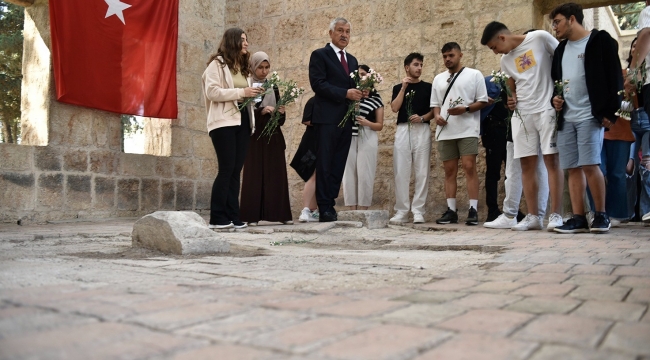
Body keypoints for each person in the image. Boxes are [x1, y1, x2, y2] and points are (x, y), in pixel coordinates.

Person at [481, 22, 564, 231]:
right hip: (522, 114)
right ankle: (533, 216)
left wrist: (560, 92)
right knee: (526, 164)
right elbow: (511, 84)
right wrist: (511, 98)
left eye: (493, 47)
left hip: (546, 108)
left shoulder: (540, 38)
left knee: (551, 161)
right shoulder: (506, 60)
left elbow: (562, 59)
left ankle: (556, 214)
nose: (495, 52)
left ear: (502, 38)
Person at [549, 3, 622, 233]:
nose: (554, 27)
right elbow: (556, 83)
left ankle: (601, 215)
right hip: (566, 118)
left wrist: (611, 112)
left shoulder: (600, 41)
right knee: (572, 168)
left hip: (591, 115)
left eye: (557, 21)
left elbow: (615, 79)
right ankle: (579, 218)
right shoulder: (560, 50)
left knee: (590, 164)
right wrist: (556, 99)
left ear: (572, 19)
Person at [202, 28, 264, 230]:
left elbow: (241, 94)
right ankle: (217, 217)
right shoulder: (217, 64)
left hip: (243, 121)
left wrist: (253, 95)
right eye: (243, 40)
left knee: (236, 171)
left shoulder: (242, 67)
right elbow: (212, 92)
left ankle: (233, 216)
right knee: (226, 169)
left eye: (247, 40)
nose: (246, 43)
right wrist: (242, 91)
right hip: (223, 123)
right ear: (233, 41)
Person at [308, 17, 363, 222]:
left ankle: (330, 202)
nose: (344, 35)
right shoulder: (320, 55)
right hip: (327, 119)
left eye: (347, 31)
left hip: (346, 120)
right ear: (331, 33)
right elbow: (318, 84)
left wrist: (361, 92)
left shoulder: (353, 60)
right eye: (340, 30)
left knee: (339, 162)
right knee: (325, 162)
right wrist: (345, 94)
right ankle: (324, 207)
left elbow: (353, 85)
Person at [482, 72, 549, 230]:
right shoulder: (509, 66)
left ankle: (536, 215)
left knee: (539, 168)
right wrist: (509, 100)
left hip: (538, 117)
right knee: (513, 169)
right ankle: (511, 214)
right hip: (518, 121)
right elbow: (508, 100)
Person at [431, 42, 488, 225]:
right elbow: (435, 104)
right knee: (449, 170)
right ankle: (451, 210)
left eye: (451, 55)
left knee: (469, 166)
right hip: (446, 130)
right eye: (445, 56)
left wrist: (466, 109)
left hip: (467, 128)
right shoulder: (438, 78)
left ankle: (472, 209)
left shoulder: (474, 74)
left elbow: (483, 101)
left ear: (460, 55)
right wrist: (437, 115)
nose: (448, 59)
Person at [240, 52, 293, 226]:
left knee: (276, 174)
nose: (264, 71)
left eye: (266, 67)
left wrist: (281, 112)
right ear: (253, 67)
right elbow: (244, 112)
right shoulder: (247, 85)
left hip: (272, 136)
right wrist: (261, 111)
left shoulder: (273, 86)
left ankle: (280, 214)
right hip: (255, 137)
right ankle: (251, 216)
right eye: (260, 67)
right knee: (254, 175)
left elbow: (281, 120)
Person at [389, 53, 433, 224]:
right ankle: (401, 210)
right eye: (416, 64)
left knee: (422, 171)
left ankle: (418, 211)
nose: (419, 68)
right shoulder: (398, 87)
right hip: (402, 130)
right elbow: (394, 108)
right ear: (407, 67)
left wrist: (422, 118)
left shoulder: (429, 87)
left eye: (421, 65)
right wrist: (403, 88)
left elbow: (433, 111)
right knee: (401, 171)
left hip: (422, 129)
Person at [342, 65, 385, 210]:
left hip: (367, 135)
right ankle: (352, 210)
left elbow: (380, 125)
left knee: (365, 172)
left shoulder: (376, 98)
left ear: (370, 77)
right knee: (348, 172)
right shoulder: (350, 95)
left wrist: (367, 123)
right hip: (349, 136)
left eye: (363, 74)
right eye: (358, 75)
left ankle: (363, 209)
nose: (361, 77)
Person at [480, 75, 509, 222]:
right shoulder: (488, 81)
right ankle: (492, 210)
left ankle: (511, 210)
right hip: (493, 130)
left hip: (510, 130)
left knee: (511, 172)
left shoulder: (515, 80)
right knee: (493, 172)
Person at [290, 97, 320, 222]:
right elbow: (306, 120)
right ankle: (306, 209)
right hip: (312, 141)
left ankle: (313, 209)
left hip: (323, 141)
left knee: (318, 176)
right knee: (311, 175)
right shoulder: (313, 101)